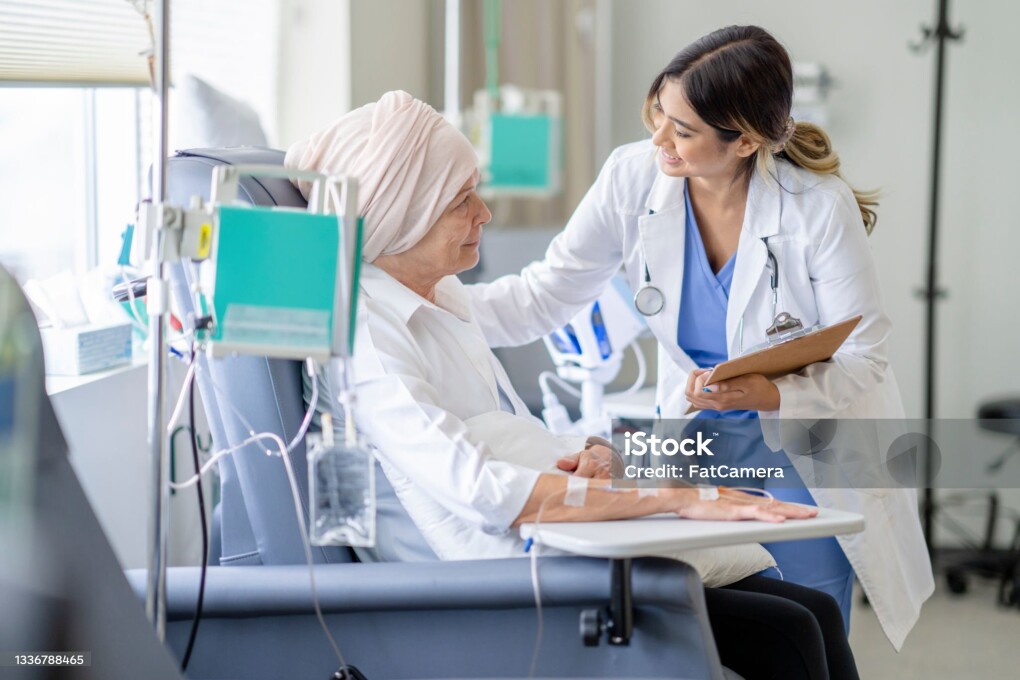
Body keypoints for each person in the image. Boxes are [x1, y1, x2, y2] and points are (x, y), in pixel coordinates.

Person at [286, 89, 859, 680]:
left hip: (563, 546)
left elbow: (512, 437)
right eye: (462, 200)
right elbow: (480, 486)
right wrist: (678, 498)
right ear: (401, 217)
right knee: (790, 633)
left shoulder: (444, 301)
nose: (484, 213)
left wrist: (589, 456)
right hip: (501, 586)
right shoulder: (368, 339)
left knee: (811, 609)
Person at [466, 25, 933, 648]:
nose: (659, 139)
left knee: (809, 618)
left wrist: (765, 394)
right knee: (710, 611)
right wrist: (432, 308)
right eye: (659, 114)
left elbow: (865, 356)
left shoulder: (817, 206)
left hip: (807, 437)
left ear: (743, 140)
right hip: (698, 433)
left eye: (682, 130)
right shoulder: (633, 177)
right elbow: (546, 292)